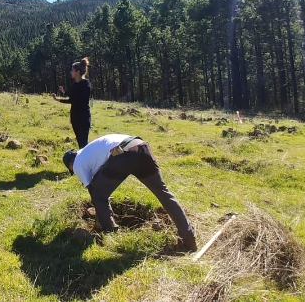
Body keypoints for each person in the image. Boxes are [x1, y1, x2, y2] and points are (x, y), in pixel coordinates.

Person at [62, 134, 197, 251]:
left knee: (97, 194)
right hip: (141, 146)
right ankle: (189, 238)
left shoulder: (77, 163)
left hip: (122, 154)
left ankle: (110, 233)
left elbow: (93, 189)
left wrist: (100, 211)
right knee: (163, 193)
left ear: (70, 164)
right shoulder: (90, 151)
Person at [52, 57, 93, 148]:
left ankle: (87, 157)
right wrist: (64, 92)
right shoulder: (75, 85)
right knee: (80, 142)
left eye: (72, 70)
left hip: (83, 118)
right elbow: (72, 95)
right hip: (75, 118)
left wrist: (58, 99)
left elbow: (73, 100)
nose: (71, 72)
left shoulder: (86, 84)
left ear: (77, 72)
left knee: (83, 143)